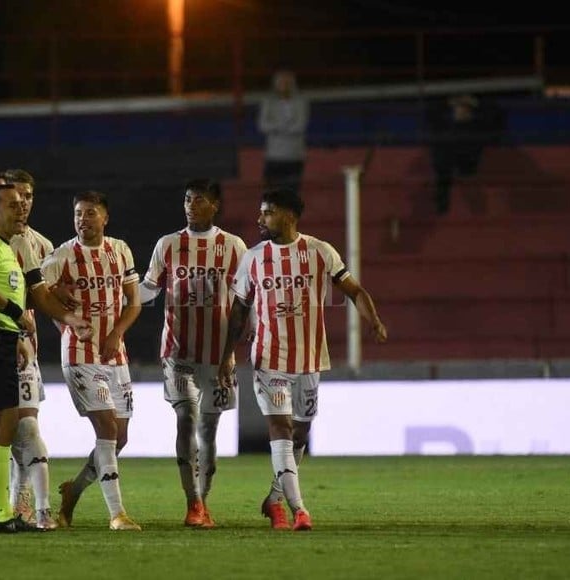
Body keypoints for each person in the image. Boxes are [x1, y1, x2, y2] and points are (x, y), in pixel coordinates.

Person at [217, 188, 387, 532]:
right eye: (261, 212)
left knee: (300, 433)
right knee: (280, 429)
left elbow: (354, 290)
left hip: (309, 360)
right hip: (268, 359)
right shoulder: (253, 258)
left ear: (289, 216)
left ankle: (275, 499)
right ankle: (299, 510)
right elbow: (238, 312)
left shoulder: (319, 251)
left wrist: (374, 320)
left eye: (267, 213)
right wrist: (226, 358)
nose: (259, 219)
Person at [0, 183, 86, 534]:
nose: (22, 210)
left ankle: (1, 513)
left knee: (7, 426)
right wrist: (15, 312)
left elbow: (39, 295)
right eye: (13, 206)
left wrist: (71, 320)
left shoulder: (9, 247)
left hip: (2, 342)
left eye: (23, 204)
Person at [135, 178, 247, 528]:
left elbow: (245, 300)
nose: (190, 206)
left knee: (209, 431)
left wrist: (238, 347)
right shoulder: (168, 244)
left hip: (218, 357)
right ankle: (193, 503)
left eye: (198, 200)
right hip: (177, 353)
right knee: (186, 417)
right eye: (186, 199)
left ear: (215, 205)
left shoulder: (233, 246)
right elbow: (148, 290)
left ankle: (205, 498)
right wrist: (116, 298)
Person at [44, 190, 142, 531]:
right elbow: (37, 292)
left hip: (115, 354)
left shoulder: (120, 250)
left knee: (122, 437)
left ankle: (74, 491)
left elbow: (134, 302)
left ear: (105, 217)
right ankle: (117, 514)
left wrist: (117, 333)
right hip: (80, 354)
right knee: (108, 428)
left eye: (89, 213)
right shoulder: (63, 255)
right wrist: (61, 307)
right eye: (78, 214)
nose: (82, 219)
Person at [2, 168, 58, 530]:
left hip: (24, 353)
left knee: (26, 425)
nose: (22, 204)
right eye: (15, 197)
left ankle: (35, 506)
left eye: (28, 197)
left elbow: (46, 298)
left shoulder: (41, 245)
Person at [258, 69, 310, 195]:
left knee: (291, 192)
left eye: (288, 83)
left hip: (295, 155)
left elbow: (300, 126)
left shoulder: (301, 102)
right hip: (274, 156)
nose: (285, 86)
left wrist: (277, 128)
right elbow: (263, 125)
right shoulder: (268, 102)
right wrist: (283, 127)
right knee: (272, 192)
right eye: (281, 83)